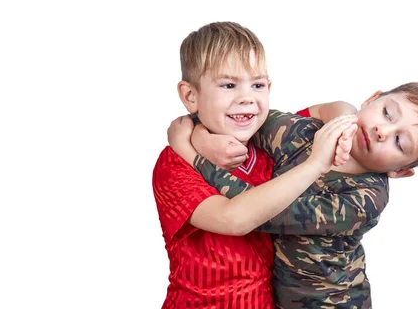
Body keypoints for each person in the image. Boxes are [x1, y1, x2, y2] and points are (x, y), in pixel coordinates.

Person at [169, 82, 418, 309]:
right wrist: (204, 136)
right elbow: (239, 121)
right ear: (372, 98)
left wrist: (192, 154)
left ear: (400, 171)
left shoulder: (364, 200)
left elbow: (260, 209)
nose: (382, 130)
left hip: (333, 303)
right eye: (387, 113)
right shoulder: (304, 132)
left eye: (399, 141)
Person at [152, 21, 357, 308]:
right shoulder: (173, 164)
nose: (247, 96)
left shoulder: (272, 145)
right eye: (228, 85)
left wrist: (348, 125)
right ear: (190, 96)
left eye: (258, 85)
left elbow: (328, 109)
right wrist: (315, 163)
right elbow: (232, 219)